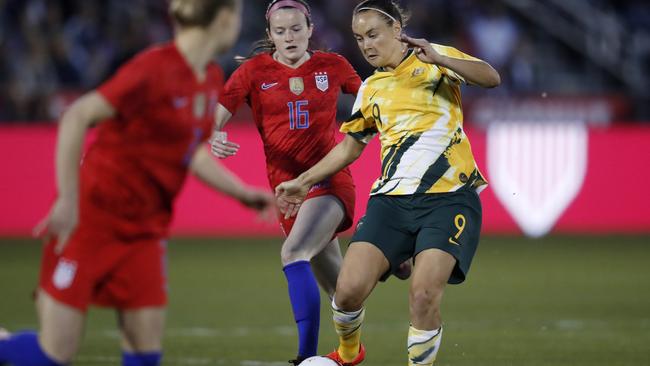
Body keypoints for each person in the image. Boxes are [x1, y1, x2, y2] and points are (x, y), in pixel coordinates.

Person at [0, 1, 274, 365]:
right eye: (237, 15)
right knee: (53, 355)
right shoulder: (154, 68)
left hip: (144, 232)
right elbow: (77, 116)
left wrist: (242, 193)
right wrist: (67, 201)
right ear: (224, 18)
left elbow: (191, 152)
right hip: (93, 221)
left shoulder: (208, 78)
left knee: (145, 355)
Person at [275, 1, 501, 365]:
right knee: (346, 293)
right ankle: (349, 355)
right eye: (359, 38)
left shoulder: (435, 59)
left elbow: (491, 78)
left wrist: (440, 59)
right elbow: (350, 147)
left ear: (397, 30)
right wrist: (304, 180)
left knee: (424, 294)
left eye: (373, 34)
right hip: (391, 202)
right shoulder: (371, 88)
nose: (365, 45)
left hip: (448, 198)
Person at [209, 0, 362, 363]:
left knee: (293, 253)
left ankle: (305, 358)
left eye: (296, 29)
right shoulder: (253, 72)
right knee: (344, 293)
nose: (289, 37)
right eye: (280, 31)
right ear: (269, 35)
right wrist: (213, 135)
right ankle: (386, 258)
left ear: (310, 29)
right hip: (286, 193)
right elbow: (213, 119)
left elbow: (373, 99)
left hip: (329, 182)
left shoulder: (333, 66)